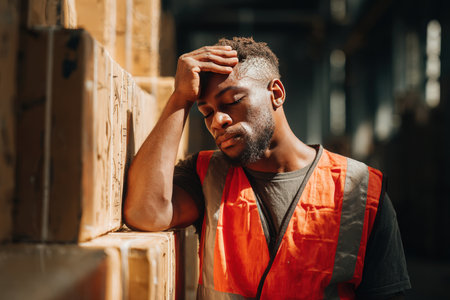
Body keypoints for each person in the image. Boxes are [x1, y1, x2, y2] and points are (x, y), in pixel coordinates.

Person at [124, 37, 411, 299]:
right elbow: (145, 212)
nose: (217, 121)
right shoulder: (205, 174)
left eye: (232, 101)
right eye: (207, 112)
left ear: (276, 93)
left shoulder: (361, 190)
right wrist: (180, 99)